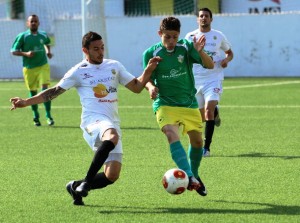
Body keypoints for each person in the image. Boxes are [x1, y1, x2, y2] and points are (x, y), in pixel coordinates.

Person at [10, 31, 161, 205]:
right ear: (85, 50)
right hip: (92, 121)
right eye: (96, 49)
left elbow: (136, 87)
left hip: (112, 122)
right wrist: (26, 102)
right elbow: (53, 92)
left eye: (102, 48)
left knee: (112, 175)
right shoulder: (78, 71)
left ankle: (75, 186)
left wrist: (148, 70)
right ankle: (87, 183)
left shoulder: (114, 66)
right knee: (111, 135)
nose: (100, 52)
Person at [143, 17, 214, 196]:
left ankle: (195, 174)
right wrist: (151, 87)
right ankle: (189, 176)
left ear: (179, 35)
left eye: (175, 37)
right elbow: (147, 78)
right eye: (167, 37)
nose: (171, 41)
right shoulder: (150, 53)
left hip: (189, 103)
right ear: (160, 34)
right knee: (170, 133)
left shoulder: (186, 47)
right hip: (165, 103)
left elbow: (210, 65)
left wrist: (200, 51)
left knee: (197, 142)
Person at [185, 8, 234, 157]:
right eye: (201, 16)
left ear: (211, 19)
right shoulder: (190, 36)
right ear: (197, 19)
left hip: (213, 78)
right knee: (201, 117)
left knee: (208, 109)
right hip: (196, 79)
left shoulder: (218, 36)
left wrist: (226, 60)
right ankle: (216, 112)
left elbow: (230, 53)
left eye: (206, 16)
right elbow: (185, 56)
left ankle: (206, 148)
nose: (203, 18)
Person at [11, 14, 54, 126]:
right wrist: (25, 53)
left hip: (43, 66)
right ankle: (36, 116)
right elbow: (14, 51)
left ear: (39, 23)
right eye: (32, 21)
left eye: (36, 21)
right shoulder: (22, 36)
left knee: (45, 90)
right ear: (28, 23)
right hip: (29, 68)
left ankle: (49, 116)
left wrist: (48, 51)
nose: (34, 23)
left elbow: (47, 43)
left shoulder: (43, 34)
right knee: (33, 92)